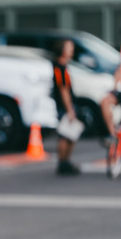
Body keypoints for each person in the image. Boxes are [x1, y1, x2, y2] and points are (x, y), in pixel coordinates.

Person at [52, 38, 81, 175]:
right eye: (69, 47)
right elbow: (63, 89)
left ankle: (66, 162)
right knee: (65, 134)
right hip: (64, 106)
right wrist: (69, 109)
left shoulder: (63, 66)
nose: (71, 50)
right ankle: (63, 163)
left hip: (67, 105)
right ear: (62, 49)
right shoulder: (60, 67)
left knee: (70, 134)